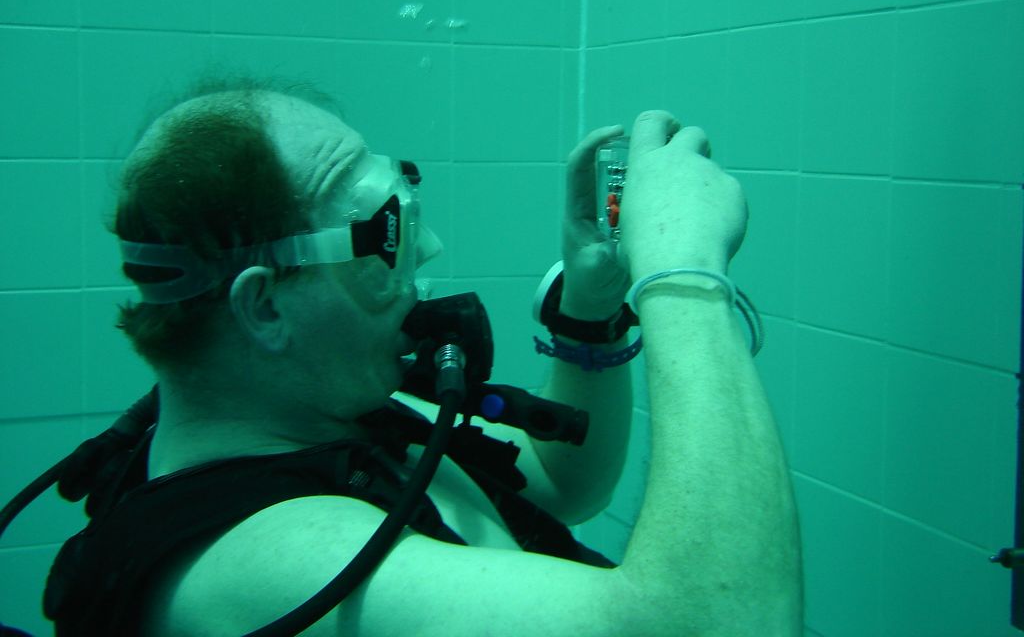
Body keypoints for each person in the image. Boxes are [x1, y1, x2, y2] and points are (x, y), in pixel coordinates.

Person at [53, 80, 803, 635]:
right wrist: (681, 279)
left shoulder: (334, 417)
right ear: (266, 306)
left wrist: (591, 306)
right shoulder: (265, 562)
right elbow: (720, 623)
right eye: (383, 237)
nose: (430, 251)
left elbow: (557, 482)